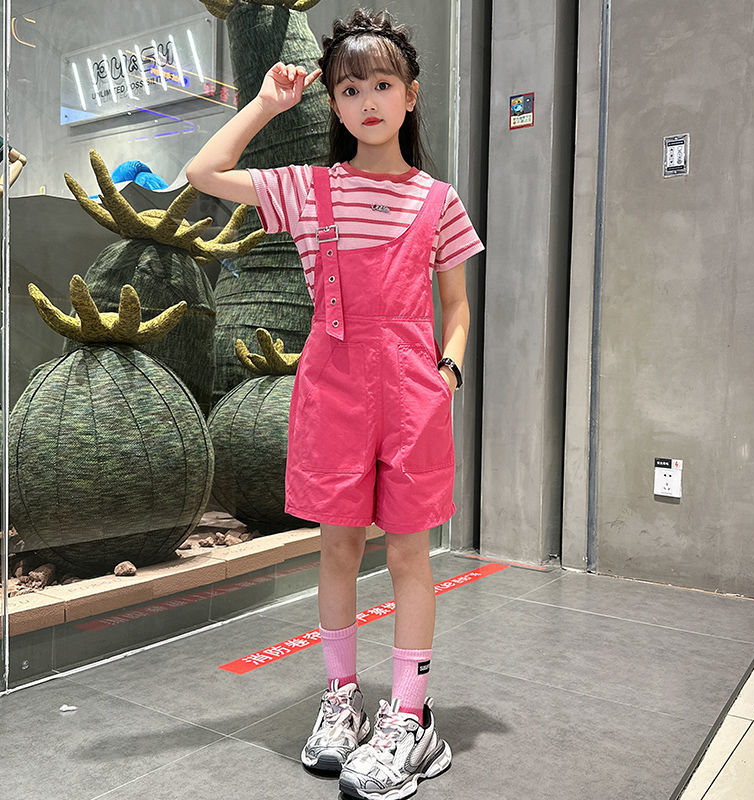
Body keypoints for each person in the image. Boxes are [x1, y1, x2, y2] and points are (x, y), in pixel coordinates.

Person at [186, 8, 483, 799]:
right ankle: (342, 702)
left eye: (382, 84)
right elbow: (204, 172)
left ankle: (410, 717)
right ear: (334, 103)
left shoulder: (438, 201)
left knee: (411, 555)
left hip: (413, 394)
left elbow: (457, 306)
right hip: (333, 392)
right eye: (349, 89)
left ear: (411, 95)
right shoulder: (309, 189)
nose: (368, 101)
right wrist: (266, 104)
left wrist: (448, 374)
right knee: (338, 549)